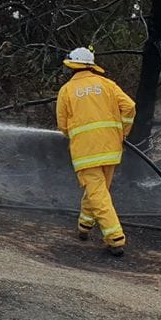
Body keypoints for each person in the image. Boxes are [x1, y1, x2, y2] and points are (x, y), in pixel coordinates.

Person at [56, 46, 136, 256]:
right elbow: (129, 107)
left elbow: (62, 125)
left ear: (72, 67)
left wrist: (73, 134)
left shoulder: (67, 90)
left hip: (86, 152)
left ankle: (115, 238)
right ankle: (84, 226)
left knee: (98, 194)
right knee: (98, 191)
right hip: (111, 149)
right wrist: (122, 132)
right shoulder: (108, 85)